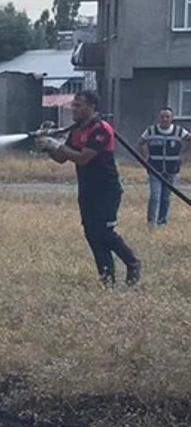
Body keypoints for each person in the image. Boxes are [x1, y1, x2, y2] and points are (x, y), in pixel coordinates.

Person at [36, 90, 141, 287]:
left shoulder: (100, 129)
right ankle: (107, 279)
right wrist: (48, 147)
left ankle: (132, 262)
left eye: (78, 106)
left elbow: (84, 158)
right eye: (72, 105)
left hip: (106, 190)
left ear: (91, 107)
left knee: (104, 232)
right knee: (92, 234)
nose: (73, 109)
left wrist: (57, 144)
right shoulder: (77, 131)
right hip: (87, 190)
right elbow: (62, 158)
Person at [138, 107, 191, 227]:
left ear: (172, 118)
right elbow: (140, 144)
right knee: (155, 196)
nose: (164, 119)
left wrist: (183, 155)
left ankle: (162, 222)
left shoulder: (179, 131)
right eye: (162, 116)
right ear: (158, 118)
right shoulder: (151, 131)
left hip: (172, 170)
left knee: (166, 198)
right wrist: (145, 158)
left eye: (167, 117)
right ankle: (151, 222)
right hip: (155, 169)